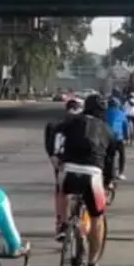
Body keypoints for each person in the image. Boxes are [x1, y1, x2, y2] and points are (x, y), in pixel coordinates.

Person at [53, 94, 117, 266]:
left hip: (69, 170)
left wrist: (57, 155)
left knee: (61, 189)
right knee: (97, 218)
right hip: (93, 175)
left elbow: (55, 132)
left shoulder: (70, 122)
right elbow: (110, 162)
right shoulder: (107, 130)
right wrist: (110, 182)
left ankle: (64, 224)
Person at [45, 98, 84, 238]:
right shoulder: (84, 125)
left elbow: (49, 147)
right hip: (79, 163)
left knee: (61, 191)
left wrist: (53, 160)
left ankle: (61, 223)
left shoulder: (54, 125)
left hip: (60, 163)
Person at [106, 97, 129, 180]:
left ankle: (108, 172)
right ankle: (120, 173)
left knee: (109, 156)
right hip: (118, 137)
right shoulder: (121, 113)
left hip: (107, 137)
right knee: (122, 155)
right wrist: (126, 136)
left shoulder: (104, 113)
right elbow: (125, 125)